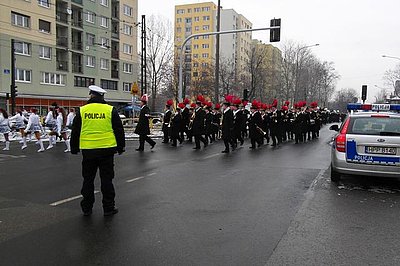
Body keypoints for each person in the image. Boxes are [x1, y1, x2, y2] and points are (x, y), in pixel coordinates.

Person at [70, 85, 125, 216]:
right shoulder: (110, 109)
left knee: (88, 180)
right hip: (107, 151)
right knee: (107, 180)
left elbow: (75, 131)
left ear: (91, 95)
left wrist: (74, 147)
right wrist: (121, 147)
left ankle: (87, 208)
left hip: (88, 151)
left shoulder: (82, 110)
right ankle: (108, 208)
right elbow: (118, 129)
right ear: (102, 96)